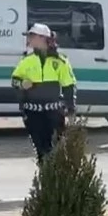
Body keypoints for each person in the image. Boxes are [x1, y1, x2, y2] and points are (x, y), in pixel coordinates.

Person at [12, 23, 76, 164]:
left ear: (42, 38)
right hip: (32, 113)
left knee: (55, 150)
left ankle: (54, 181)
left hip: (53, 113)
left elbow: (68, 86)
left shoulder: (60, 61)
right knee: (41, 151)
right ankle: (46, 180)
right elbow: (14, 80)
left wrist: (70, 110)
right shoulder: (26, 61)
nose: (28, 39)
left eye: (31, 36)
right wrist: (21, 84)